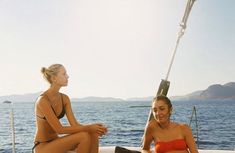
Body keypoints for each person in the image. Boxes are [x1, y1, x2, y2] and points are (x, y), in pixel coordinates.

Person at [33, 64, 108, 153]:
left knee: (93, 134)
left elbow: (74, 125)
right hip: (42, 146)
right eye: (64, 74)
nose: (67, 76)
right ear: (54, 78)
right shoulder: (43, 101)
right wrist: (89, 127)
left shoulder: (64, 98)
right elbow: (59, 129)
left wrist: (95, 128)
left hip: (56, 141)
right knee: (83, 136)